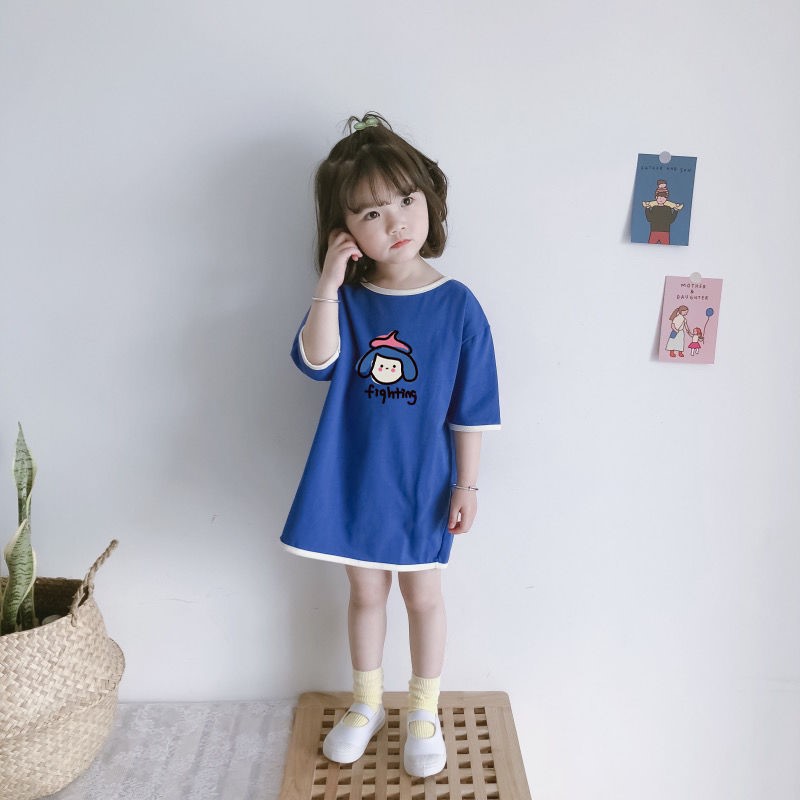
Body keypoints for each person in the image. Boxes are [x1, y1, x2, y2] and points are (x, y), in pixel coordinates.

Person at [280, 113, 501, 778]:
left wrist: (466, 485)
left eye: (406, 199)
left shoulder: (459, 306)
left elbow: (472, 410)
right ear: (345, 230)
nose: (396, 221)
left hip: (421, 483)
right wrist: (327, 283)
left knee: (423, 596)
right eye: (372, 212)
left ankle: (423, 710)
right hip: (353, 478)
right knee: (365, 593)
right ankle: (367, 703)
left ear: (429, 198)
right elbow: (317, 361)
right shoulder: (348, 302)